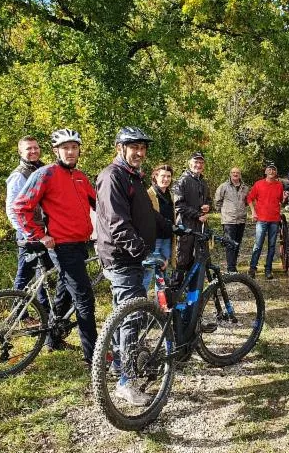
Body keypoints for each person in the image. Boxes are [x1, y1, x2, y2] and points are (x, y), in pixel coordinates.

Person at [96, 126, 172, 404]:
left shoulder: (133, 177)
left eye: (142, 148)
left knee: (124, 314)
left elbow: (147, 215)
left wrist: (173, 227)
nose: (139, 152)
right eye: (133, 147)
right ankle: (126, 382)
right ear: (120, 148)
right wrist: (143, 252)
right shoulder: (112, 176)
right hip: (123, 258)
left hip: (131, 257)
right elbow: (118, 223)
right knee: (132, 318)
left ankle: (118, 364)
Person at [13, 128, 97, 366]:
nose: (70, 152)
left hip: (81, 243)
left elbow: (99, 206)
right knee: (84, 299)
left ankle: (52, 338)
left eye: (74, 147)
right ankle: (94, 357)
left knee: (65, 295)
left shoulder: (81, 176)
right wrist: (38, 235)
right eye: (65, 148)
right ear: (56, 151)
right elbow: (21, 207)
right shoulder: (45, 174)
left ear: (79, 150)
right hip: (62, 246)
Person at [5, 136, 49, 312]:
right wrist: (28, 234)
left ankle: (45, 313)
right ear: (20, 152)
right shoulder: (19, 175)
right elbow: (12, 210)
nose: (33, 151)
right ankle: (17, 316)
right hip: (29, 234)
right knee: (24, 275)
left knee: (42, 275)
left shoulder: (42, 169)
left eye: (36, 148)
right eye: (28, 149)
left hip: (45, 232)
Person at [172, 151, 212, 289]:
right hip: (185, 227)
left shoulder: (204, 181)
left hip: (200, 227)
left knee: (198, 259)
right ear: (190, 163)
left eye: (201, 162)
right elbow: (178, 205)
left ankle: (192, 294)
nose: (198, 165)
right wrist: (197, 214)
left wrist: (208, 206)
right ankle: (174, 293)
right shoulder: (182, 180)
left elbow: (208, 200)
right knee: (182, 259)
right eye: (196, 162)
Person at [247, 164, 287, 280]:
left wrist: (284, 198)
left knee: (272, 246)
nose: (271, 171)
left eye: (274, 169)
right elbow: (249, 198)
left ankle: (268, 269)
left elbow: (280, 201)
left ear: (276, 172)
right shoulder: (258, 184)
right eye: (269, 169)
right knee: (258, 245)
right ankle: (252, 268)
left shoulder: (279, 185)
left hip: (274, 220)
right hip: (261, 219)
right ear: (265, 171)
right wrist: (253, 212)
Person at [142, 164, 176, 292]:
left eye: (168, 176)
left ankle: (160, 306)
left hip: (167, 239)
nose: (166, 179)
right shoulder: (148, 194)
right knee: (147, 274)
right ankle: (140, 307)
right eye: (163, 176)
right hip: (153, 240)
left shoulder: (170, 195)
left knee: (162, 274)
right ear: (155, 177)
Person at [214, 167, 249, 273]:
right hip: (228, 220)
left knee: (237, 244)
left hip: (241, 219)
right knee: (229, 243)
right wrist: (224, 212)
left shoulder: (245, 187)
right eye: (233, 172)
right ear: (230, 174)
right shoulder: (223, 186)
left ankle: (233, 265)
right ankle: (230, 268)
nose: (235, 174)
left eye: (237, 172)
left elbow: (247, 202)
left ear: (240, 174)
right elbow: (217, 201)